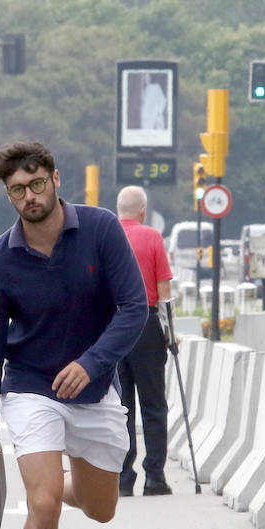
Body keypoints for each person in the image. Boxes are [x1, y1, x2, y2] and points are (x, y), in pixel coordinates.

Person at [0, 139, 147, 529]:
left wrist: (93, 363)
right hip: (30, 388)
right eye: (17, 190)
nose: (29, 197)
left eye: (36, 183)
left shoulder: (100, 229)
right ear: (9, 194)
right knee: (42, 505)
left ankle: (66, 482)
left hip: (95, 392)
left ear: (55, 179)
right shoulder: (0, 260)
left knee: (101, 508)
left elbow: (134, 306)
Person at [114, 186, 174, 497]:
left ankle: (124, 477)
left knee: (120, 406)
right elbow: (163, 291)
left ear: (118, 209)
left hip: (112, 327)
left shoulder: (106, 236)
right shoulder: (152, 237)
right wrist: (168, 333)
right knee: (154, 403)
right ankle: (155, 476)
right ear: (143, 210)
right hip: (145, 324)